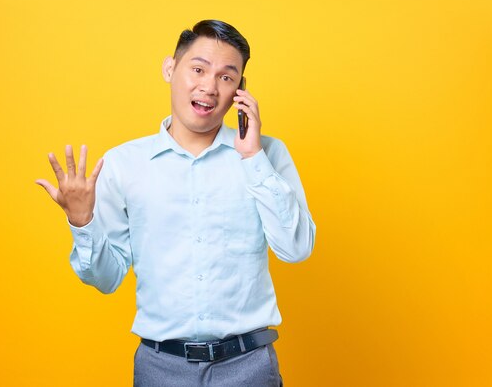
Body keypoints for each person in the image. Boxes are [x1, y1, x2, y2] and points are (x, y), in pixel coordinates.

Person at [36, 20, 316, 386]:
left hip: (249, 367)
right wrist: (82, 221)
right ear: (170, 68)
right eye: (198, 69)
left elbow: (296, 249)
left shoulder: (267, 154)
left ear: (240, 91)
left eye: (226, 77)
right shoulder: (123, 164)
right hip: (161, 369)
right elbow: (106, 279)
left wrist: (253, 159)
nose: (209, 87)